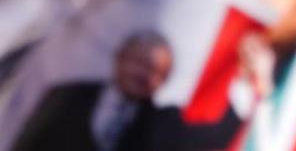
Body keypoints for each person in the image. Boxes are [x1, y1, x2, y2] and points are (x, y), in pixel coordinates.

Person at [13, 31, 175, 150]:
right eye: (140, 63)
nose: (144, 75)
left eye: (157, 72)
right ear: (120, 58)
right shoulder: (67, 95)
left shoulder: (160, 126)